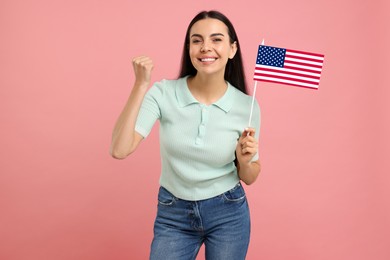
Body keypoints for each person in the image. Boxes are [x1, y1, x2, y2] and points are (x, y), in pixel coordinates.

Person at [110, 10, 261, 260]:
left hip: (228, 213)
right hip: (174, 213)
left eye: (216, 39)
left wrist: (245, 161)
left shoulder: (248, 106)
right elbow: (119, 149)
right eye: (197, 40)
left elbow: (250, 176)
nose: (205, 47)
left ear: (232, 49)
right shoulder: (163, 93)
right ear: (189, 48)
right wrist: (140, 85)